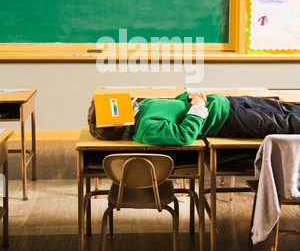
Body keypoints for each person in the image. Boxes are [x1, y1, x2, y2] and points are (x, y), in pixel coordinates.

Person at [88, 90, 300, 145]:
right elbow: (184, 135)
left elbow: (175, 105)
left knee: (284, 108)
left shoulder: (142, 106)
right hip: (226, 121)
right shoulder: (145, 129)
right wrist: (198, 107)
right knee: (286, 123)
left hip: (225, 102)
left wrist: (189, 97)